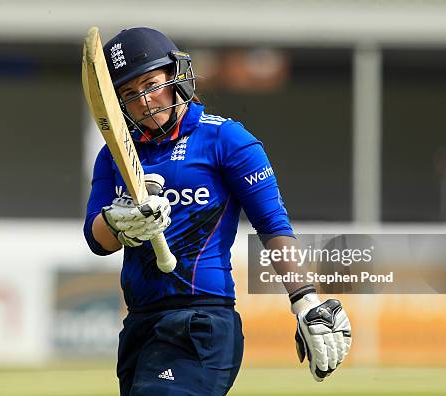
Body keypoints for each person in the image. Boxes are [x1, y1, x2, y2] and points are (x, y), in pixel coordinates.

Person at [83, 27, 352, 396]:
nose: (144, 101)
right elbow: (96, 239)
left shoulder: (226, 139)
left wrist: (305, 299)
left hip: (201, 322)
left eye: (151, 84)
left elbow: (272, 225)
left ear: (176, 76)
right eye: (129, 94)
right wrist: (120, 222)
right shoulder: (112, 155)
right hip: (140, 326)